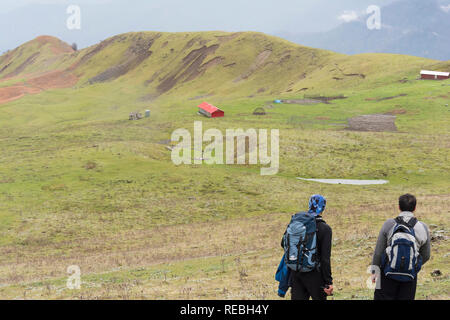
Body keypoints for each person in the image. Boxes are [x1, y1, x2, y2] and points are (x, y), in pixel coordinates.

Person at [371, 194, 431, 300]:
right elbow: (426, 255)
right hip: (410, 276)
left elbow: (378, 253)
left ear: (399, 207)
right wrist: (412, 264)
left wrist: (374, 272)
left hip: (387, 274)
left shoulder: (389, 224)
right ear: (415, 208)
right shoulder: (423, 227)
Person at [281, 195, 333, 300]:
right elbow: (325, 258)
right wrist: (328, 282)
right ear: (323, 208)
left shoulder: (298, 223)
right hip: (315, 275)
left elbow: (283, 243)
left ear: (309, 205)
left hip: (296, 272)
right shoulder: (325, 229)